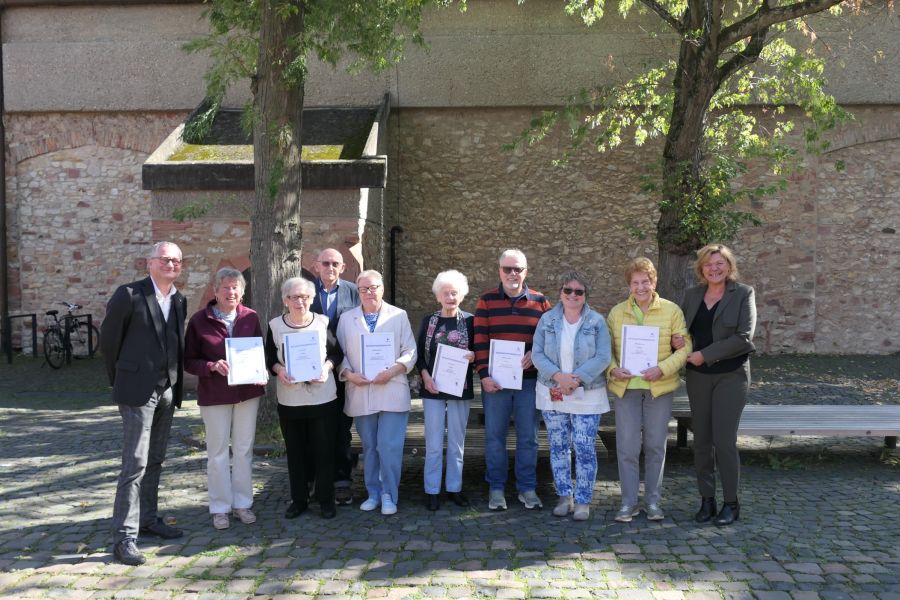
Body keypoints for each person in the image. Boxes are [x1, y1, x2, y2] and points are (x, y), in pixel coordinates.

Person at [100, 241, 187, 566]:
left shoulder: (178, 299)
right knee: (134, 463)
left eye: (176, 260)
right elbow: (109, 342)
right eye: (165, 259)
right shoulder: (130, 294)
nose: (171, 264)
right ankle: (124, 538)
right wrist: (121, 379)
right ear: (149, 263)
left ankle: (149, 519)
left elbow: (175, 342)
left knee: (156, 459)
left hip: (167, 389)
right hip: (137, 390)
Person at [606, 257, 690, 523]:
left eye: (646, 281)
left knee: (655, 446)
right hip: (626, 388)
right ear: (629, 285)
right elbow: (604, 350)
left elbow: (685, 346)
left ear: (654, 282)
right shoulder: (617, 312)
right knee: (627, 448)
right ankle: (628, 503)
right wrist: (612, 369)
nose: (641, 287)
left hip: (658, 388)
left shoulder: (671, 310)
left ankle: (653, 502)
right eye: (635, 282)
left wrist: (663, 369)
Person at [678, 244, 756, 527]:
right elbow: (682, 330)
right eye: (709, 264)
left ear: (729, 266)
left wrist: (704, 354)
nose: (714, 268)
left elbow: (744, 337)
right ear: (701, 268)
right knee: (701, 442)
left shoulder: (743, 293)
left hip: (731, 376)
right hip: (698, 377)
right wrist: (679, 342)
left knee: (724, 441)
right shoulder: (692, 295)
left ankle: (731, 503)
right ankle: (707, 500)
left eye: (720, 264)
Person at [184, 267, 265, 530]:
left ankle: (242, 503)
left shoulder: (250, 317)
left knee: (243, 450)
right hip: (215, 394)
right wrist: (210, 367)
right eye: (226, 287)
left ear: (242, 292)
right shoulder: (199, 320)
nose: (231, 292)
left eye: (235, 287)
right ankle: (220, 507)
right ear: (216, 291)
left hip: (246, 394)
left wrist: (261, 370)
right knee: (217, 452)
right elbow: (189, 361)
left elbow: (259, 352)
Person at [474, 249, 552, 511]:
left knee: (528, 437)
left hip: (529, 382)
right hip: (495, 383)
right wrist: (484, 375)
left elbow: (549, 338)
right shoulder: (486, 301)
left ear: (526, 271)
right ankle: (496, 488)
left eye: (517, 269)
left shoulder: (541, 302)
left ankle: (527, 488)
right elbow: (480, 339)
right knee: (494, 437)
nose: (512, 274)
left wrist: (536, 354)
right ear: (499, 271)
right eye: (507, 269)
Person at [532, 271, 611, 521]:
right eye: (568, 290)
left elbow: (603, 356)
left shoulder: (597, 321)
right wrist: (559, 376)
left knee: (585, 447)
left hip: (587, 394)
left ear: (585, 295)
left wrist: (575, 378)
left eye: (578, 291)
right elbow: (537, 354)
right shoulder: (547, 320)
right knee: (558, 447)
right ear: (560, 293)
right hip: (553, 391)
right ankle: (564, 496)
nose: (573, 295)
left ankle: (584, 500)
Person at [336, 270, 417, 515]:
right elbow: (339, 355)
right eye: (364, 289)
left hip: (391, 388)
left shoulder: (399, 316)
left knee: (389, 447)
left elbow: (410, 351)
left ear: (382, 289)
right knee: (370, 446)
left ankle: (389, 494)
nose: (369, 292)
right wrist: (349, 375)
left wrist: (392, 371)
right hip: (361, 390)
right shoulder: (346, 318)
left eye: (374, 287)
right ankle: (373, 492)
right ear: (358, 292)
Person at [265, 277, 344, 519]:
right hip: (291, 399)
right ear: (285, 300)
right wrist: (280, 371)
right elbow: (269, 359)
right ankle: (299, 500)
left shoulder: (322, 322)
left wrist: (326, 368)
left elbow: (337, 354)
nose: (300, 301)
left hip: (323, 397)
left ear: (311, 299)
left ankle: (326, 500)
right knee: (296, 452)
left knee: (324, 450)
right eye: (294, 297)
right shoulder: (275, 325)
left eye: (305, 297)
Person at [416, 270, 475, 511]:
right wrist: (425, 376)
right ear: (438, 296)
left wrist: (474, 356)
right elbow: (419, 355)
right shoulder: (429, 321)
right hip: (433, 388)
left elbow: (481, 351)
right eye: (445, 293)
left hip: (460, 390)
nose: (450, 297)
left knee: (456, 443)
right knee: (433, 442)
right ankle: (432, 490)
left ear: (461, 295)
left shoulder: (471, 321)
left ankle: (454, 488)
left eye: (454, 293)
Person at [309, 248, 360, 506]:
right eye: (325, 263)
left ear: (342, 268)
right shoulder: (304, 290)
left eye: (335, 264)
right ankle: (314, 478)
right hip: (311, 372)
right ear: (316, 266)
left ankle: (342, 480)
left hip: (343, 371)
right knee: (313, 427)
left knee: (341, 429)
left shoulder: (354, 291)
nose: (330, 267)